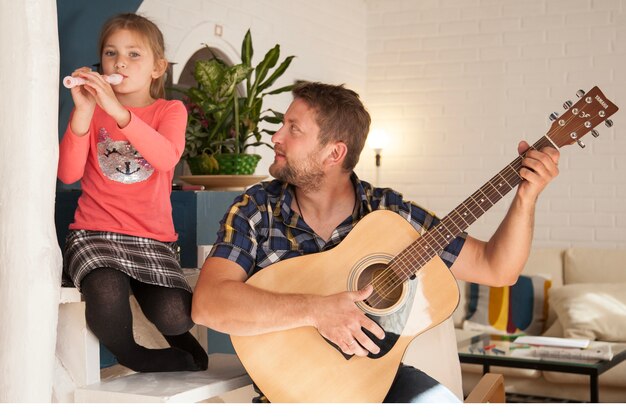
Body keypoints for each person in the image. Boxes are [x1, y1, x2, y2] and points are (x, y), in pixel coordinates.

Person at [191, 81, 560, 401]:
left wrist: (526, 197)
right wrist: (316, 309)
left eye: (293, 129)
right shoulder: (256, 207)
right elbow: (207, 304)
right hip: (290, 393)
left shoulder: (390, 213)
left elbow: (496, 269)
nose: (276, 137)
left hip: (380, 383)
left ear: (333, 153)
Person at [58, 13, 207, 373]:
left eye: (133, 54)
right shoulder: (91, 114)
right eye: (111, 53)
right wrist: (84, 112)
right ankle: (134, 356)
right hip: (95, 234)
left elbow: (166, 156)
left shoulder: (170, 110)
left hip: (151, 238)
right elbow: (67, 174)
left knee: (174, 315)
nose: (120, 61)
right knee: (106, 299)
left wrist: (117, 111)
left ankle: (180, 340)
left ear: (158, 67)